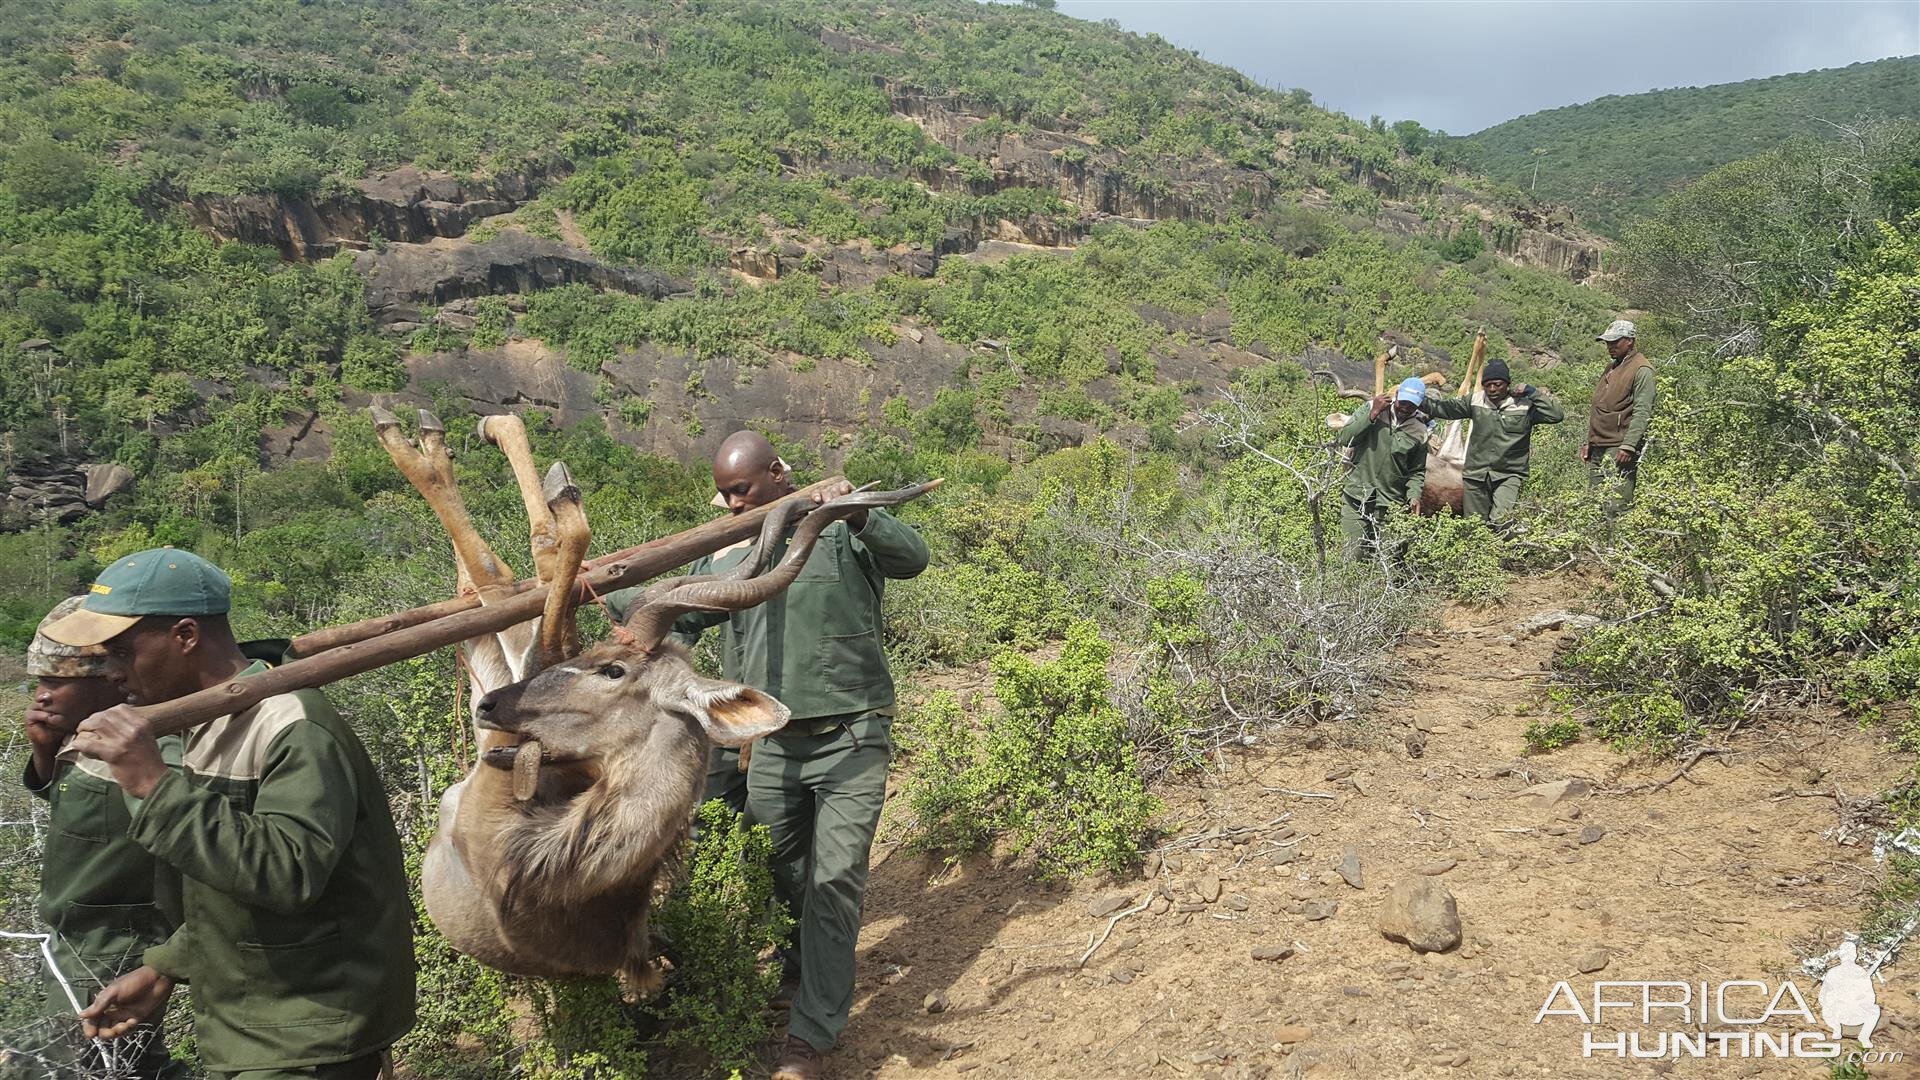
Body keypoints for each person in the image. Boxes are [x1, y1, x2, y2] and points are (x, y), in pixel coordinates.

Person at [610, 432, 928, 1080]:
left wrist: (859, 509)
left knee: (835, 881)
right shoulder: (733, 556)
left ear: (780, 474)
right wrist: (606, 593)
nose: (730, 504)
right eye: (723, 494)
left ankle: (809, 1036)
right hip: (774, 746)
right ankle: (799, 972)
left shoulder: (840, 529)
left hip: (852, 738)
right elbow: (678, 610)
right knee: (777, 870)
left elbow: (912, 557)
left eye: (741, 491)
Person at [40, 549, 416, 1080]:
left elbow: (287, 874)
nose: (111, 671)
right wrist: (166, 968)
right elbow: (224, 884)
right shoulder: (209, 723)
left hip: (309, 1031)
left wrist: (152, 783)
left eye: (121, 652)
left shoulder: (292, 725)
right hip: (252, 1026)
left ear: (186, 636)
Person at [17, 596, 182, 1080]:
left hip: (113, 951)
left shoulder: (152, 754)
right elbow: (89, 821)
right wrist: (46, 754)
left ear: (114, 683)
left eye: (56, 683)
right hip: (74, 943)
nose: (42, 696)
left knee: (83, 1067)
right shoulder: (88, 740)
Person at [1424, 359, 1565, 522]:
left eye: (1497, 384)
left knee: (1501, 519)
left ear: (1507, 384)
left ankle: (1501, 544)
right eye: (1487, 384)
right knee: (1474, 523)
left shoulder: (1524, 406)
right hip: (1476, 474)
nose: (1492, 389)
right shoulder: (1475, 401)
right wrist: (1417, 400)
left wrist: (1532, 392)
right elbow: (1445, 409)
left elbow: (1556, 415)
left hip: (1508, 474)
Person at [1335, 376, 1430, 559]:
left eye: (1412, 405)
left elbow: (1417, 470)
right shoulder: (1372, 408)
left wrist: (1414, 496)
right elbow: (1345, 438)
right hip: (1357, 497)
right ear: (1396, 395)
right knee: (1350, 557)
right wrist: (1373, 414)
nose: (1406, 408)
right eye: (1403, 402)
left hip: (1390, 505)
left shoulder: (1419, 431)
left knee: (1388, 561)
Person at [1583, 318, 1657, 509]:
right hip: (1599, 445)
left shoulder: (1642, 369)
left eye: (1615, 342)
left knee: (1617, 505)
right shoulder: (1611, 367)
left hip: (1619, 447)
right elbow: (1599, 408)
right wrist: (1589, 442)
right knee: (1594, 504)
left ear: (1629, 340)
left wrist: (1629, 445)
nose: (1610, 346)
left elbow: (1642, 411)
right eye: (1608, 342)